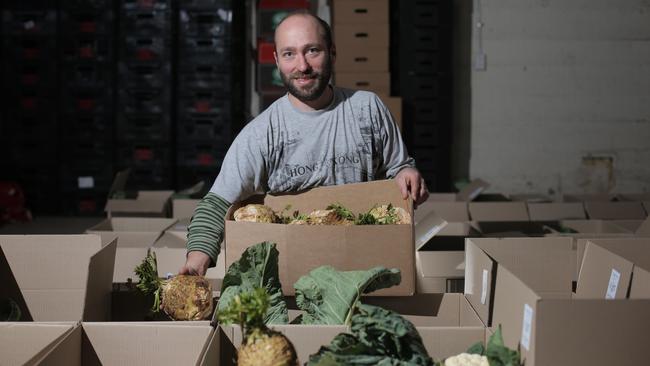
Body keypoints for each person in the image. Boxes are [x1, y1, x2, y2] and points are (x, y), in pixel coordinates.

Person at [180, 10, 428, 276]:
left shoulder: (367, 109)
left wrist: (407, 173)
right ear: (276, 60)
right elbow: (216, 204)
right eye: (289, 54)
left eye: (312, 51)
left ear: (332, 53)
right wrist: (196, 263)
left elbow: (399, 167)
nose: (302, 66)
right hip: (295, 273)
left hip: (366, 268)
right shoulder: (262, 133)